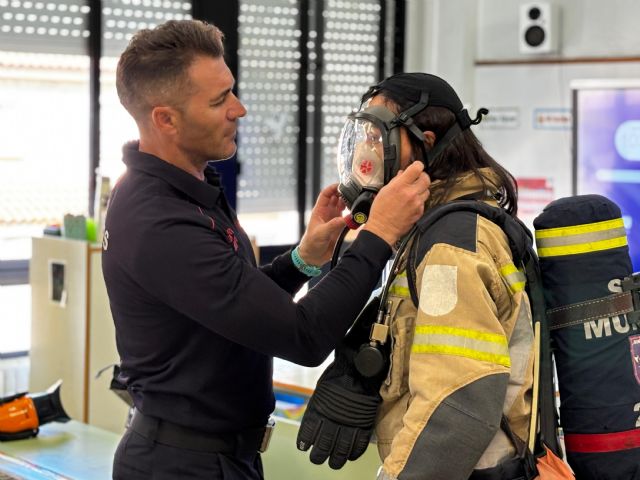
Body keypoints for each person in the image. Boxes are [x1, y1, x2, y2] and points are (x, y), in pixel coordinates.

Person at [101, 19, 430, 480]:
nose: (240, 109)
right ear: (166, 119)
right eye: (219, 101)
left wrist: (302, 260)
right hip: (182, 466)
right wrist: (379, 234)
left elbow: (235, 303)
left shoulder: (190, 189)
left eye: (231, 91)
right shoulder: (157, 219)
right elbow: (303, 336)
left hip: (220, 459)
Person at [299, 72, 535, 479]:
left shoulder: (452, 246)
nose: (366, 154)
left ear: (426, 143)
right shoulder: (429, 230)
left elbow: (457, 403)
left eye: (378, 137)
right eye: (364, 137)